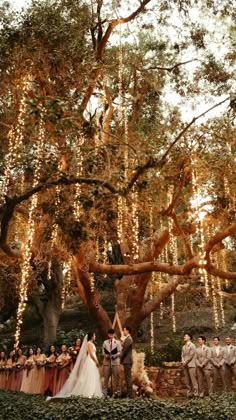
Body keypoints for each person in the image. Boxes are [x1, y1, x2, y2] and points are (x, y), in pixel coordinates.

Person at [49, 332, 103, 399]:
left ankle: (94, 391)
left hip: (92, 360)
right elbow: (91, 354)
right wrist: (96, 361)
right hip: (91, 360)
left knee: (93, 375)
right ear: (91, 336)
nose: (95, 336)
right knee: (89, 376)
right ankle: (89, 392)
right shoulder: (89, 343)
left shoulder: (92, 343)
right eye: (94, 335)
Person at [102, 328, 121, 397]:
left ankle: (118, 392)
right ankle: (105, 393)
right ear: (108, 335)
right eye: (110, 334)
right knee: (106, 378)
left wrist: (114, 355)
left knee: (117, 377)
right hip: (107, 362)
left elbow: (120, 352)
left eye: (112, 334)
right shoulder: (105, 342)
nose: (111, 336)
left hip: (115, 362)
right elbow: (103, 351)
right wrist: (106, 355)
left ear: (114, 335)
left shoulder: (118, 342)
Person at [181, 333, 198, 397]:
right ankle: (189, 394)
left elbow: (191, 355)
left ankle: (196, 394)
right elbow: (182, 355)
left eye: (185, 336)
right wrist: (183, 361)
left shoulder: (192, 345)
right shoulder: (183, 346)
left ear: (189, 337)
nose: (184, 337)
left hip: (191, 365)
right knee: (188, 381)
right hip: (185, 365)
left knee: (193, 380)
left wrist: (186, 361)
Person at [120, 326, 133, 399]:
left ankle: (129, 394)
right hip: (126, 360)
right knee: (127, 377)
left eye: (124, 330)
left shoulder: (129, 339)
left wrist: (120, 359)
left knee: (128, 378)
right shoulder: (127, 339)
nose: (123, 332)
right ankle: (129, 393)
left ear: (127, 331)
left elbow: (124, 351)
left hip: (127, 360)